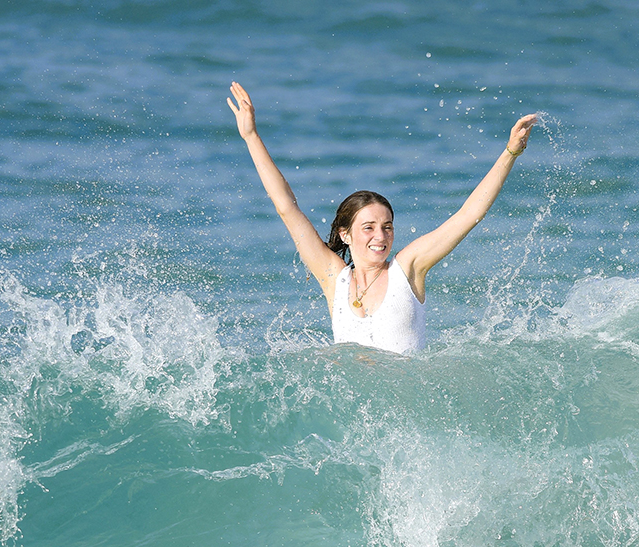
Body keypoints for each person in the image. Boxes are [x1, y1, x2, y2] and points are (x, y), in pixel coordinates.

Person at [227, 81, 536, 355]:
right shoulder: (335, 279)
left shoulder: (408, 269)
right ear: (345, 234)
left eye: (387, 227)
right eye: (369, 227)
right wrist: (251, 136)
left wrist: (509, 153)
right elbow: (286, 208)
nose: (381, 236)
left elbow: (469, 215)